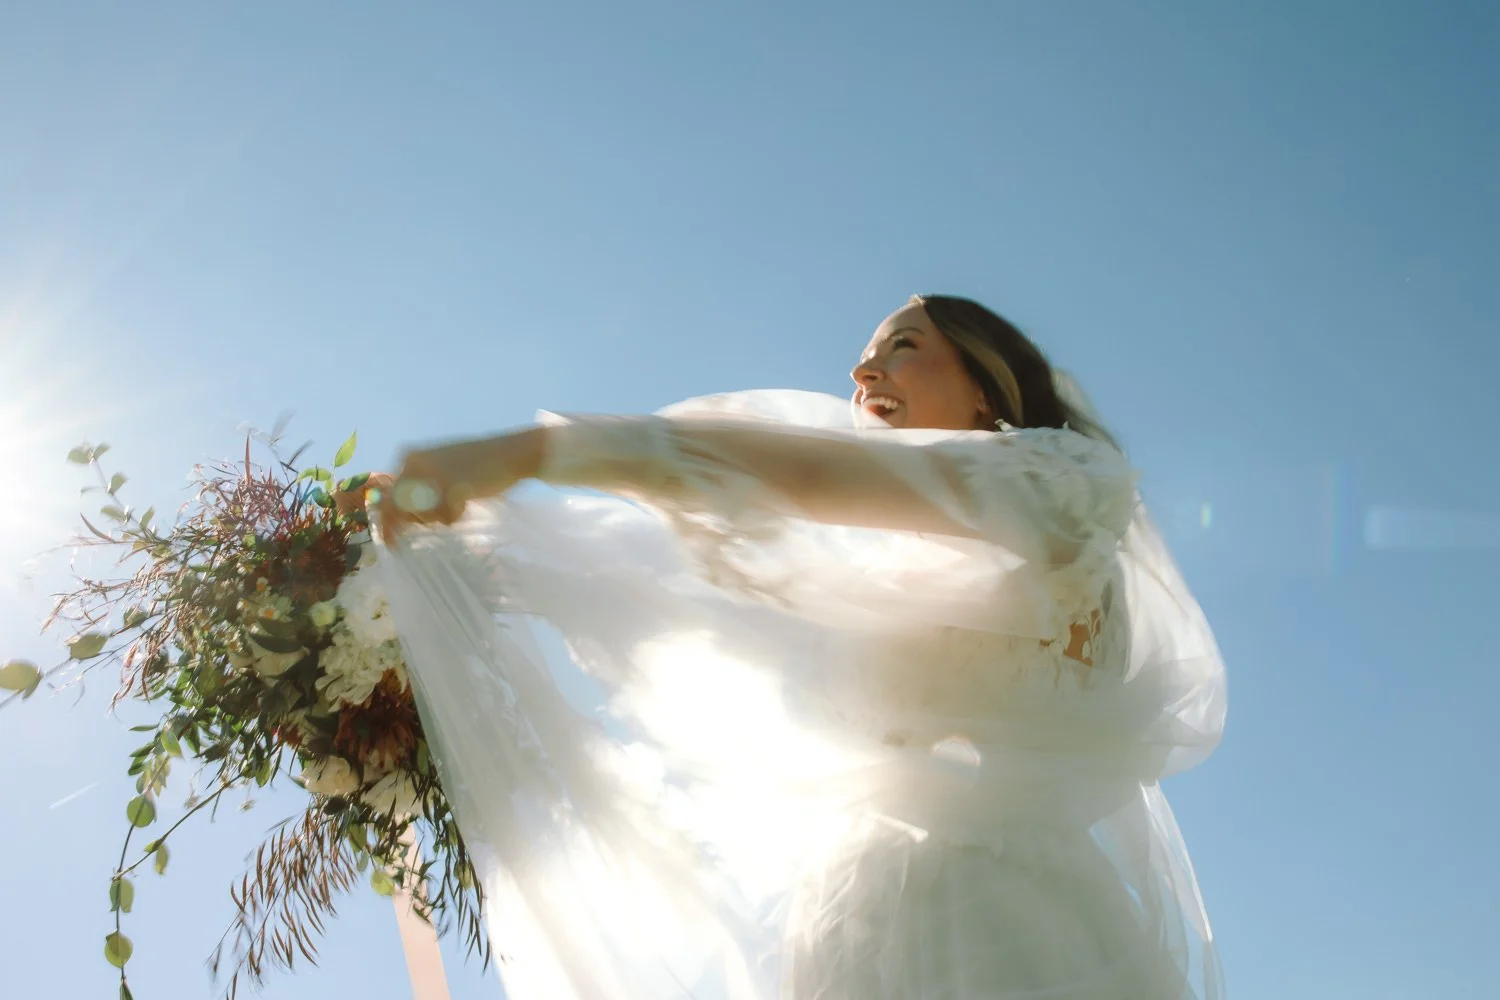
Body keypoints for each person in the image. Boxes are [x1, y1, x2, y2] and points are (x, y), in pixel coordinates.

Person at [373, 295, 1227, 999]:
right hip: (846, 932)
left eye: (904, 346)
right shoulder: (887, 590)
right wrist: (459, 575)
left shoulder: (1063, 494)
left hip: (993, 923)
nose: (862, 373)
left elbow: (796, 473)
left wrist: (529, 453)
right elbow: (677, 610)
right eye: (865, 356)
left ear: (985, 390)